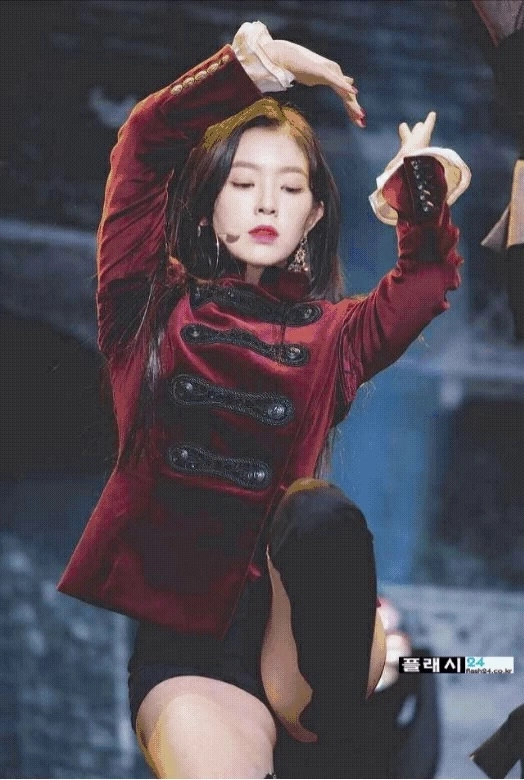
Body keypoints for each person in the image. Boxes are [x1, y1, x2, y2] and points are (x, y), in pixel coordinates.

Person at [57, 21, 470, 779]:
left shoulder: (335, 338)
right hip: (193, 656)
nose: (265, 203)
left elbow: (423, 282)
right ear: (207, 205)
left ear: (314, 217)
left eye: (290, 187)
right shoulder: (144, 310)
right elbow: (144, 142)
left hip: (306, 643)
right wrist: (256, 65)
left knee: (318, 516)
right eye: (243, 184)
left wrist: (417, 187)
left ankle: (362, 711)